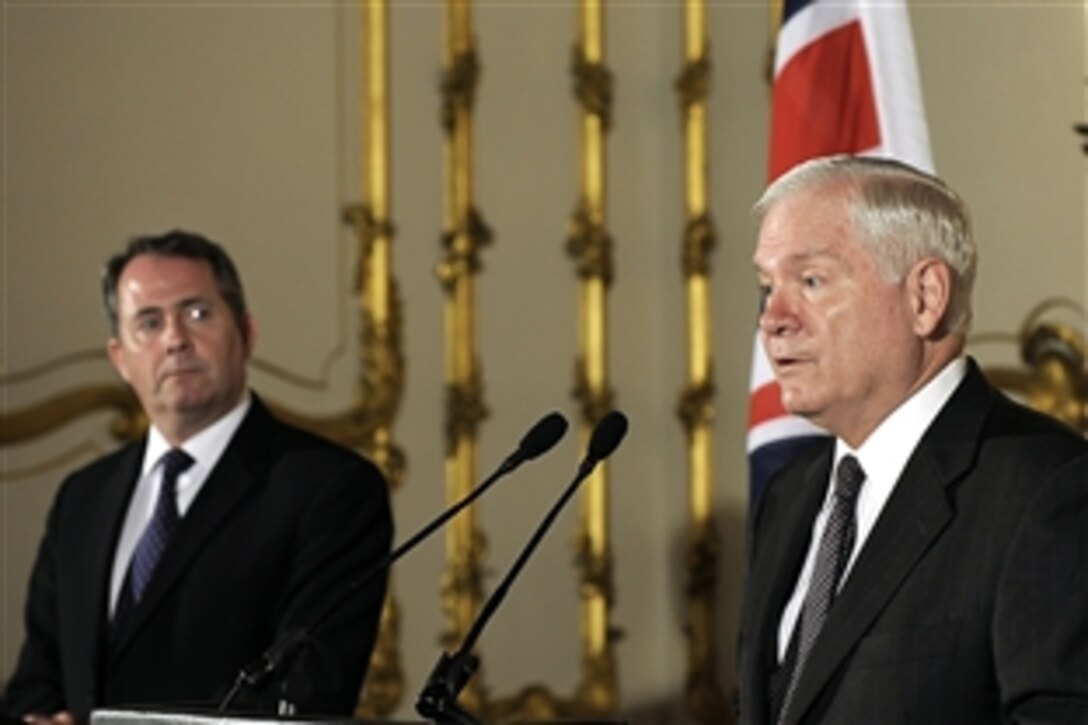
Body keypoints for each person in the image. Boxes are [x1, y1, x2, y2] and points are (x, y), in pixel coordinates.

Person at [737, 155, 1088, 724]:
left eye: (810, 281)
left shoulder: (1046, 491)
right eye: (765, 286)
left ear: (925, 296)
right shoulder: (790, 496)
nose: (772, 318)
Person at [2, 230, 393, 724]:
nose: (175, 340)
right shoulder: (83, 496)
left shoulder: (329, 488)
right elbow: (37, 682)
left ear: (247, 333)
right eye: (149, 322)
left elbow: (307, 694)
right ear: (119, 359)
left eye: (197, 313)